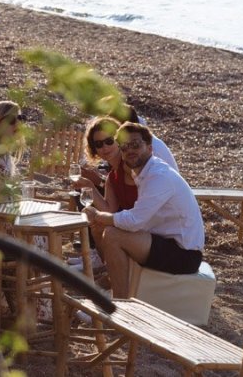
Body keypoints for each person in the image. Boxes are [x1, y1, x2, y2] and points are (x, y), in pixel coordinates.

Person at [83, 121, 204, 298]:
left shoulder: (158, 176)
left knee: (112, 235)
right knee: (105, 229)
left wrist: (99, 215)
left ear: (149, 147)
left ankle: (119, 305)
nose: (130, 151)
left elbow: (134, 221)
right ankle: (115, 290)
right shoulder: (143, 173)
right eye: (124, 147)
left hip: (184, 254)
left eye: (135, 145)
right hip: (165, 241)